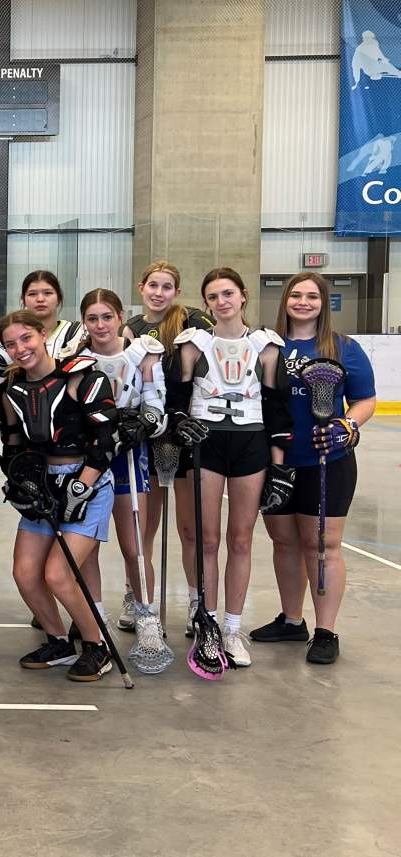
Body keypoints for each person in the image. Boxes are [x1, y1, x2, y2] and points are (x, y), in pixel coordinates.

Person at [167, 267, 293, 669]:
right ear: (206, 304)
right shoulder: (191, 344)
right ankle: (207, 623)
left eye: (228, 294)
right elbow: (176, 398)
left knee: (241, 539)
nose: (222, 302)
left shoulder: (268, 346)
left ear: (242, 297)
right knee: (206, 540)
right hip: (206, 444)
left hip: (251, 444)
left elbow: (277, 409)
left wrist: (279, 468)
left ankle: (233, 628)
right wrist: (177, 421)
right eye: (213, 296)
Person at [254, 273, 376, 664]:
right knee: (284, 543)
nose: (303, 302)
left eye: (312, 296)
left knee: (322, 546)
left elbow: (365, 400)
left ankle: (325, 631)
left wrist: (348, 425)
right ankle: (292, 621)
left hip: (327, 462)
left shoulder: (343, 347)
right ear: (284, 300)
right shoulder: (265, 344)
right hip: (274, 461)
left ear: (323, 302)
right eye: (296, 295)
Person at [0, 310, 120, 682]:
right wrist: (21, 481)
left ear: (43, 334)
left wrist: (81, 486)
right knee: (24, 572)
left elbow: (106, 440)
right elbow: (13, 443)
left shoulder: (83, 377)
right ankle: (59, 641)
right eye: (11, 343)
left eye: (26, 338)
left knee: (58, 573)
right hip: (43, 484)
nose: (20, 348)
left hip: (89, 481)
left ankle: (97, 647)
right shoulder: (10, 390)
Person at [121, 261, 213, 634]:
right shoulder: (131, 329)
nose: (159, 292)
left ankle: (197, 602)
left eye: (167, 286)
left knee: (191, 530)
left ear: (176, 291)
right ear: (142, 287)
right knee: (144, 530)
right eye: (153, 285)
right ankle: (136, 595)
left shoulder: (192, 321)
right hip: (149, 436)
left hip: (186, 433)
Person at [73, 289, 169, 651]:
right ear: (85, 322)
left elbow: (156, 408)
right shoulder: (77, 362)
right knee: (89, 545)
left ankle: (146, 616)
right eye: (93, 318)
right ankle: (95, 617)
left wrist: (142, 423)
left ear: (120, 317)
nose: (100, 325)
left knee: (135, 546)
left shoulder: (143, 356)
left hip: (130, 458)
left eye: (107, 317)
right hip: (91, 461)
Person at [0, 270, 86, 383]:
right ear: (23, 299)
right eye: (32, 294)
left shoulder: (78, 334)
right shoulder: (3, 347)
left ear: (59, 298)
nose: (40, 299)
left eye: (47, 293)